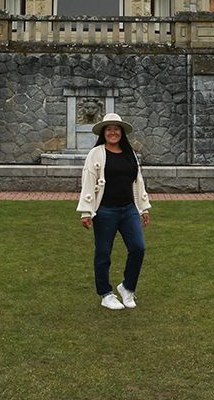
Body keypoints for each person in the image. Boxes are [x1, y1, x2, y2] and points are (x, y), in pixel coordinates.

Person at [76, 112, 152, 310]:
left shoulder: (129, 153)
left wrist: (143, 208)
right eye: (108, 129)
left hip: (129, 210)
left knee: (138, 248)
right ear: (103, 132)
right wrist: (86, 212)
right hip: (105, 211)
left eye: (116, 129)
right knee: (103, 253)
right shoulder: (96, 153)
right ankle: (106, 294)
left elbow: (138, 181)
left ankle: (127, 288)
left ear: (121, 132)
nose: (112, 132)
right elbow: (88, 182)